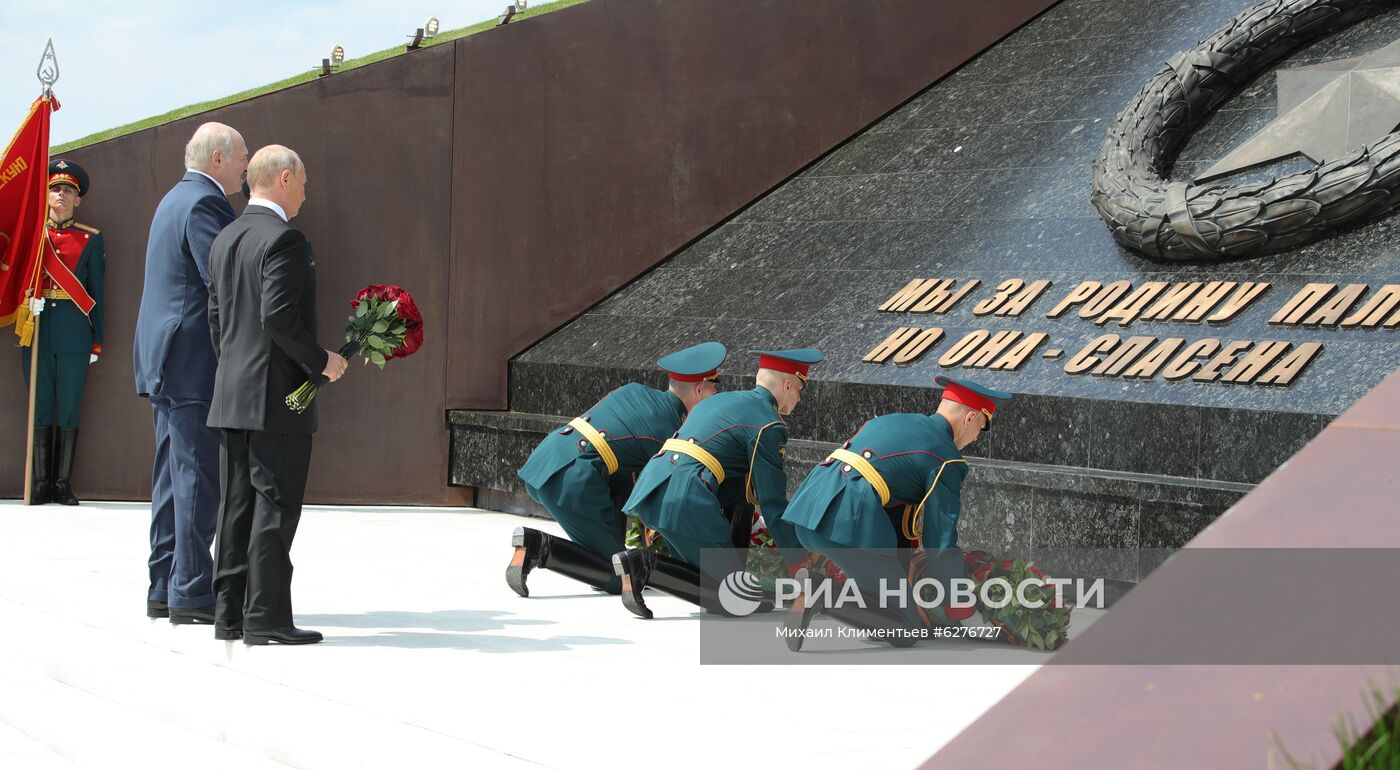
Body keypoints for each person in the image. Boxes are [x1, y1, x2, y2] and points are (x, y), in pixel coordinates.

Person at [206, 145, 347, 645]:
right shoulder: (285, 239)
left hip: (232, 394)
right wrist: (321, 361)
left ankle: (229, 615)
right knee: (275, 503)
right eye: (304, 183)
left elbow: (218, 321)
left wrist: (235, 373)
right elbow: (279, 318)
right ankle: (266, 616)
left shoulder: (226, 237)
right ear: (284, 179)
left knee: (236, 504)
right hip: (275, 398)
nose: (306, 194)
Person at [780, 376, 1011, 651]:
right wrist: (954, 597)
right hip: (847, 520)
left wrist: (902, 580)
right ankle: (821, 592)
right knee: (907, 629)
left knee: (886, 598)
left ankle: (874, 616)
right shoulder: (946, 457)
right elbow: (940, 538)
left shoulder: (894, 421)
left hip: (809, 509)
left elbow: (898, 515)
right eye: (981, 429)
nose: (975, 439)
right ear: (970, 418)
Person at [134, 123, 249, 624]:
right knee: (198, 476)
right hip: (191, 361)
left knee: (171, 478)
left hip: (165, 359)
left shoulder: (172, 198)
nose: (246, 168)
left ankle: (164, 584)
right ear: (219, 158)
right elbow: (219, 280)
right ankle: (191, 592)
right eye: (243, 157)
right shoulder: (206, 204)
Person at [613, 348, 821, 619]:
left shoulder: (720, 401)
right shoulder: (769, 425)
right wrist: (797, 554)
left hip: (654, 488)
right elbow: (772, 501)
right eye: (799, 390)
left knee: (714, 582)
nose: (798, 398)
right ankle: (642, 565)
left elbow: (740, 492)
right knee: (732, 599)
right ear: (787, 385)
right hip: (686, 496)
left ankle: (646, 566)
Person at [508, 342, 727, 596]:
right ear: (699, 390)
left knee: (612, 557)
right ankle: (537, 547)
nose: (715, 397)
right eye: (713, 389)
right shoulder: (667, 429)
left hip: (546, 460)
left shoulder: (635, 391)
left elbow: (624, 469)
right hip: (570, 478)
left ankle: (594, 564)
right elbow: (665, 495)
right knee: (618, 578)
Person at [21, 160, 105, 507]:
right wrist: (28, 304)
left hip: (74, 331)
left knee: (69, 407)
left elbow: (97, 291)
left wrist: (96, 339)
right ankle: (40, 482)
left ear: (78, 199)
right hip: (38, 328)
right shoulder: (32, 235)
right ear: (47, 194)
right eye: (55, 189)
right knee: (40, 406)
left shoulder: (90, 239)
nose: (61, 195)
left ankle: (61, 483)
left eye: (68, 191)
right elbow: (16, 282)